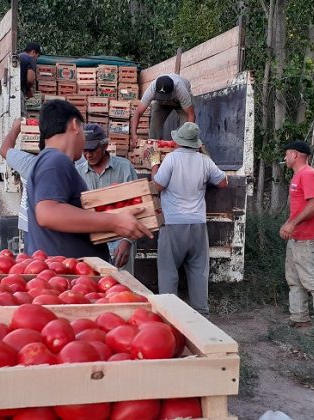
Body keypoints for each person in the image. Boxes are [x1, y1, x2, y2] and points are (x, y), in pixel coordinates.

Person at [26, 99, 152, 260]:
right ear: (74, 126)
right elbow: (47, 213)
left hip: (68, 273)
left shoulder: (49, 160)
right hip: (67, 276)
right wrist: (113, 221)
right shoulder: (56, 160)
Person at [151, 122, 227, 317]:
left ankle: (170, 316)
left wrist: (153, 165)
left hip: (173, 224)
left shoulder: (171, 159)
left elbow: (157, 186)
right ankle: (201, 316)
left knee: (168, 272)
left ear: (178, 141)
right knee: (198, 272)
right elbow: (223, 182)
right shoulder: (205, 161)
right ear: (196, 143)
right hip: (198, 225)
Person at [279, 140, 314, 336]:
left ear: (294, 154)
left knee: (312, 280)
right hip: (296, 237)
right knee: (294, 279)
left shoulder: (308, 174)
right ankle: (299, 317)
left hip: (307, 237)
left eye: (286, 154)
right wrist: (289, 224)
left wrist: (292, 224)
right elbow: (302, 206)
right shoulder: (298, 176)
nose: (285, 157)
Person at [76, 124, 139, 271]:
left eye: (92, 150)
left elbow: (138, 205)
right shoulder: (77, 172)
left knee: (124, 289)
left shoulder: (124, 168)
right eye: (85, 151)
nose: (88, 155)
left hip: (120, 240)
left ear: (104, 146)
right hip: (90, 243)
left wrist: (127, 241)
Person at [0, 118, 36, 252]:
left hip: (31, 227)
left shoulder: (29, 162)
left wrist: (15, 128)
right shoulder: (72, 163)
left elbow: (5, 150)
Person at [131, 73, 195, 143]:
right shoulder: (152, 89)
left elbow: (191, 115)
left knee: (184, 128)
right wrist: (134, 135)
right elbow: (138, 112)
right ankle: (153, 150)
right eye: (162, 96)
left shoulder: (180, 89)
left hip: (180, 103)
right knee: (154, 129)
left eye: (166, 96)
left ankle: (183, 149)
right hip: (160, 104)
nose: (165, 99)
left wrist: (187, 137)